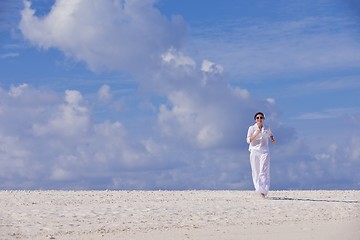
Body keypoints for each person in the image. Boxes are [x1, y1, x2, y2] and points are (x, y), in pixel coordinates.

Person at [246, 112, 275, 198]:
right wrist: (256, 133)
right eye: (257, 118)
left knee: (264, 170)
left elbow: (271, 134)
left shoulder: (267, 128)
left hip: (264, 151)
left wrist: (272, 139)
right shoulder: (251, 128)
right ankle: (258, 189)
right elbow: (248, 140)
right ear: (255, 119)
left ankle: (264, 189)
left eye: (261, 118)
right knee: (256, 170)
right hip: (254, 151)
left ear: (263, 119)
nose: (259, 119)